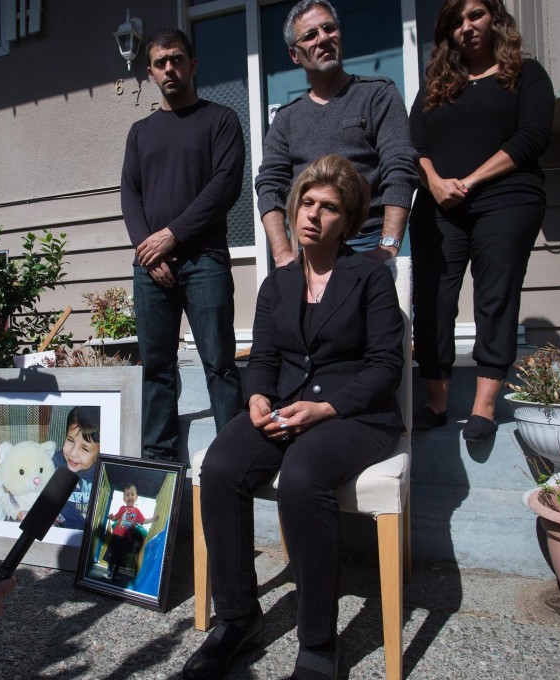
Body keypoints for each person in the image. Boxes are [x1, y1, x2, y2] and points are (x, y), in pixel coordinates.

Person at [184, 156, 404, 680]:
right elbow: (261, 359)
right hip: (285, 405)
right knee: (220, 468)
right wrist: (257, 397)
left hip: (354, 414)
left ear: (346, 220)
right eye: (306, 202)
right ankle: (238, 619)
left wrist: (326, 407)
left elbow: (386, 366)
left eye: (328, 208)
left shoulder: (369, 277)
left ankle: (319, 645)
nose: (313, 215)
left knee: (303, 479)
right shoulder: (277, 284)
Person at [408, 0, 554, 441]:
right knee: (432, 302)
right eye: (456, 22)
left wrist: (467, 181)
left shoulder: (526, 75)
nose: (466, 27)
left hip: (506, 200)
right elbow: (413, 142)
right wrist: (432, 181)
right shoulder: (436, 83)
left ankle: (484, 405)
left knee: (494, 298)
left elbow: (532, 137)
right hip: (439, 204)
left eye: (475, 15)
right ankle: (436, 401)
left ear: (495, 18)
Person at [120, 27, 244, 461]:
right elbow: (129, 197)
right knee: (157, 368)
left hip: (204, 261)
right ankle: (159, 458)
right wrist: (146, 250)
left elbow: (224, 187)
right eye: (159, 62)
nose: (169, 68)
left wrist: (171, 235)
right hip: (151, 269)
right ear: (150, 72)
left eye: (176, 59)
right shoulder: (139, 133)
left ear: (192, 65)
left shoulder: (221, 121)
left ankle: (233, 452)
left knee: (220, 362)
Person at [254, 0, 419, 266]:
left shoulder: (377, 94)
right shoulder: (286, 119)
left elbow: (400, 167)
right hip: (309, 250)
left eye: (328, 28)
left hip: (368, 243)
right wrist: (282, 254)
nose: (323, 38)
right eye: (310, 35)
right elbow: (269, 186)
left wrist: (388, 245)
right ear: (295, 55)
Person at [52, 406, 101, 529]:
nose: (73, 453)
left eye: (84, 449)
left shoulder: (102, 477)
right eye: (70, 440)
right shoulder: (54, 463)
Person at [104, 483, 158, 581]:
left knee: (120, 557)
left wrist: (153, 519)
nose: (130, 496)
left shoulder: (137, 512)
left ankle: (115, 574)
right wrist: (111, 517)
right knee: (113, 554)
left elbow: (143, 521)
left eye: (132, 494)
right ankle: (109, 571)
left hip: (126, 538)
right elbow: (115, 518)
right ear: (124, 499)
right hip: (116, 536)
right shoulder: (122, 508)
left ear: (136, 497)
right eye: (127, 495)